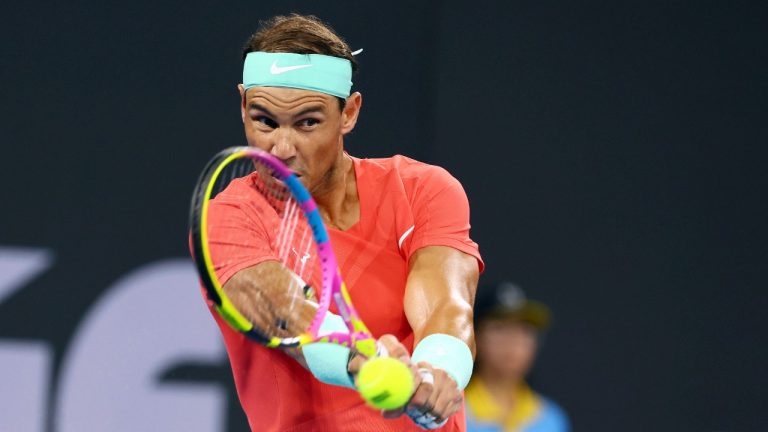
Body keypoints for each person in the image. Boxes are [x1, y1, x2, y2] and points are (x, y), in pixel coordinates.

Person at [200, 14, 483, 431]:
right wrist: (367, 363)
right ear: (243, 104)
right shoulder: (227, 217)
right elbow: (289, 314)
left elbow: (446, 303)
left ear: (349, 113)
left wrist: (437, 371)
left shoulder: (423, 189)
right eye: (264, 121)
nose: (281, 147)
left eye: (307, 123)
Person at [465, 282, 569, 432]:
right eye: (499, 328)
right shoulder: (449, 409)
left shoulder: (551, 418)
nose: (513, 340)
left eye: (524, 330)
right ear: (474, 336)